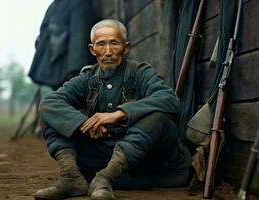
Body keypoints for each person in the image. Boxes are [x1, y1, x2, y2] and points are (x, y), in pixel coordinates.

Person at [34, 19, 191, 200]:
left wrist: (119, 114)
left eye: (114, 43)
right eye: (101, 44)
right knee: (53, 115)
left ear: (126, 47)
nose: (108, 51)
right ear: (93, 49)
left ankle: (105, 178)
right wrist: (84, 123)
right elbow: (50, 102)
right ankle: (71, 178)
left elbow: (170, 100)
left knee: (157, 118)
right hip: (103, 155)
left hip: (147, 160)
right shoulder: (87, 78)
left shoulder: (140, 73)